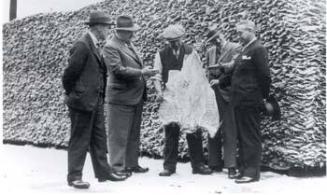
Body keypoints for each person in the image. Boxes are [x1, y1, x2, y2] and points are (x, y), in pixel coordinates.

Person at [62, 11, 127, 189]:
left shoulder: (95, 44)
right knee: (80, 139)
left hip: (96, 100)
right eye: (107, 27)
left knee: (99, 138)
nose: (108, 31)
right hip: (82, 101)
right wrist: (74, 93)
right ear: (97, 27)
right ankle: (74, 177)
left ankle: (104, 172)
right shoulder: (82, 45)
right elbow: (69, 74)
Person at [153, 24, 218, 177]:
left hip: (189, 96)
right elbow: (157, 75)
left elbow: (198, 74)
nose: (174, 44)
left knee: (193, 129)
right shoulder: (161, 54)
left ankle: (198, 165)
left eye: (176, 40)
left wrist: (195, 91)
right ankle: (169, 166)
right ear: (167, 42)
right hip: (171, 96)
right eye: (170, 41)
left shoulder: (190, 51)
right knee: (171, 129)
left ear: (181, 39)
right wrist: (159, 92)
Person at [103, 15, 158, 176]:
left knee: (133, 133)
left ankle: (131, 164)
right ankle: (117, 167)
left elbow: (131, 65)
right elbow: (117, 70)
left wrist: (143, 71)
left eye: (132, 31)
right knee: (118, 135)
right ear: (119, 31)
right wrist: (142, 72)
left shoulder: (128, 44)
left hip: (135, 96)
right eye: (129, 31)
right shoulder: (111, 46)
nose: (132, 34)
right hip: (120, 97)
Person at [231, 20, 271, 183]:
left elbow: (265, 76)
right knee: (242, 136)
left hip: (250, 100)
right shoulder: (245, 49)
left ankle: (252, 172)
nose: (238, 36)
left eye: (240, 33)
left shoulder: (258, 49)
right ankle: (244, 169)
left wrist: (262, 97)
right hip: (240, 100)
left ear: (250, 31)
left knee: (251, 136)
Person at [204, 28, 241, 179]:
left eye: (217, 38)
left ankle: (231, 165)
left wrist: (220, 81)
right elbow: (207, 71)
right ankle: (214, 162)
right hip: (213, 94)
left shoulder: (235, 48)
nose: (216, 42)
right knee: (212, 127)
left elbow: (237, 71)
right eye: (213, 40)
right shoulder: (210, 52)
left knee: (230, 130)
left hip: (228, 94)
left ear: (222, 36)